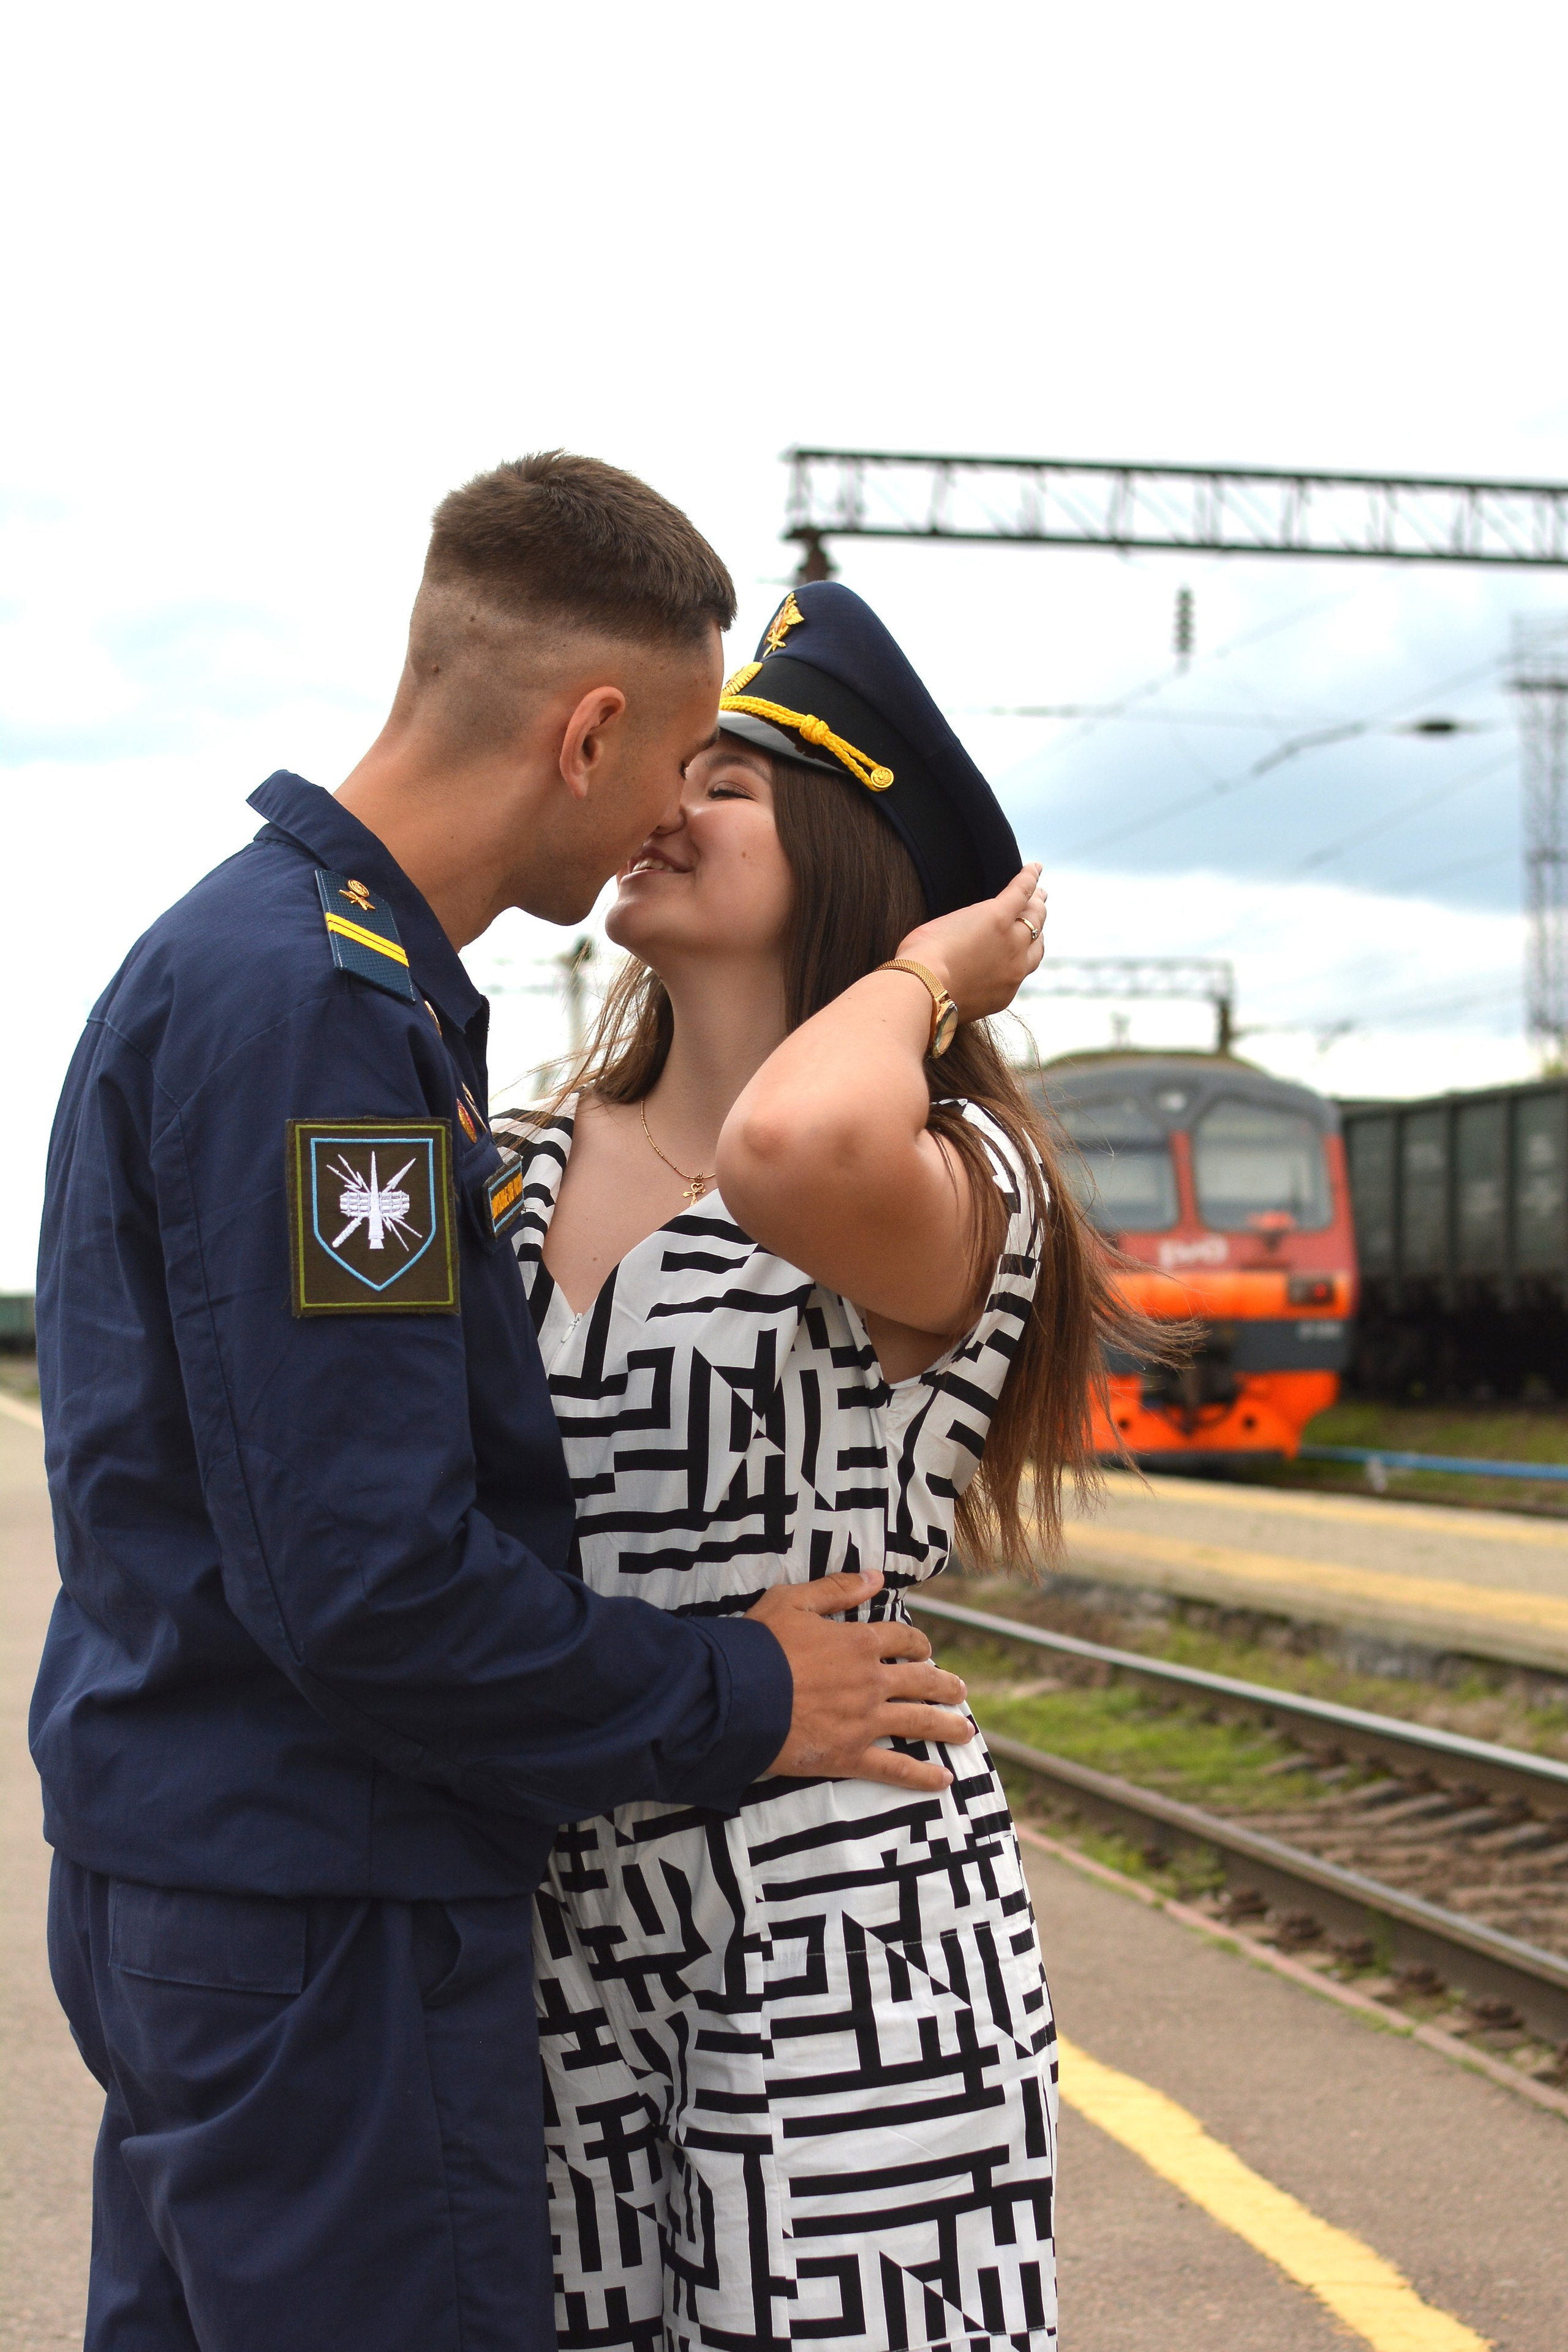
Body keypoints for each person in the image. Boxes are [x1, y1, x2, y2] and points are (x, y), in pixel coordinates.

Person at [30, 460, 974, 2352]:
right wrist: (748, 1694)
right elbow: (373, 1583)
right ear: (592, 729)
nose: (665, 818)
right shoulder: (325, 1019)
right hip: (325, 1918)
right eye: (684, 759)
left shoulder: (266, 966)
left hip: (214, 1879)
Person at [497, 582, 1137, 2352]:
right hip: (558, 1919)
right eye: (670, 767)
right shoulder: (514, 1169)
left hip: (838, 1927)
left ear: (851, 871)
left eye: (729, 786)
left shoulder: (943, 1169)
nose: (664, 801)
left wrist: (926, 977)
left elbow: (785, 1139)